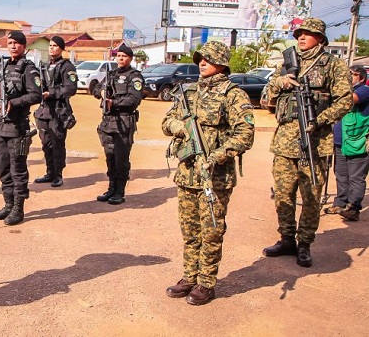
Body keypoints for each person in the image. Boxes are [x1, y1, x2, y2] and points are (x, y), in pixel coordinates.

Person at [162, 41, 255, 305]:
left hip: (215, 177)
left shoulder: (233, 95)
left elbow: (245, 135)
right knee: (189, 230)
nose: (202, 62)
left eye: (208, 58)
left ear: (222, 62)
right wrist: (179, 127)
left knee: (212, 230)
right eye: (200, 58)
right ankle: (189, 277)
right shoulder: (189, 92)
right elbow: (166, 122)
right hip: (187, 174)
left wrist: (217, 155)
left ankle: (206, 283)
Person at [262, 17, 352, 267]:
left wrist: (320, 120)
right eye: (299, 33)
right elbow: (265, 99)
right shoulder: (287, 64)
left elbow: (344, 101)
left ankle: (305, 243)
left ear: (320, 38)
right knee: (283, 195)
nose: (301, 37)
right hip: (284, 143)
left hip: (315, 143)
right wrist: (279, 83)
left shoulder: (333, 65)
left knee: (311, 197)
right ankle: (287, 239)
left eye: (307, 33)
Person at [0, 31, 42, 225]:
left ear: (23, 45)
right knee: (2, 167)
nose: (12, 46)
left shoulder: (29, 69)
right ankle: (8, 204)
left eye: (16, 43)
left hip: (17, 126)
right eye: (9, 43)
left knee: (17, 169)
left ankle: (18, 208)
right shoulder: (2, 66)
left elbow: (36, 95)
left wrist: (15, 102)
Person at [92, 44, 143, 205]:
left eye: (124, 56)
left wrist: (113, 102)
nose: (121, 59)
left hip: (124, 121)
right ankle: (111, 188)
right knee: (110, 157)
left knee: (121, 158)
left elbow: (134, 99)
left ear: (130, 58)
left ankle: (120, 191)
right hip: (108, 122)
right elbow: (95, 88)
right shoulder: (111, 74)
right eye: (119, 56)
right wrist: (101, 92)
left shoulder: (134, 76)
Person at [323, 65, 369, 221]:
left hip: (357, 142)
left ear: (361, 77)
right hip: (340, 141)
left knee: (356, 177)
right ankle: (341, 202)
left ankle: (353, 207)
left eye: (353, 75)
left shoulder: (364, 90)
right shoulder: (344, 91)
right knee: (341, 174)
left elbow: (350, 100)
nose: (349, 77)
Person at [33, 36, 77, 187]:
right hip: (44, 110)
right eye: (50, 45)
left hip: (59, 110)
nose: (51, 48)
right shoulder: (44, 66)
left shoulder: (67, 66)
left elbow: (70, 89)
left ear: (61, 48)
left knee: (57, 143)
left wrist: (51, 93)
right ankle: (49, 171)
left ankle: (58, 174)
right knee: (46, 143)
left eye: (55, 46)